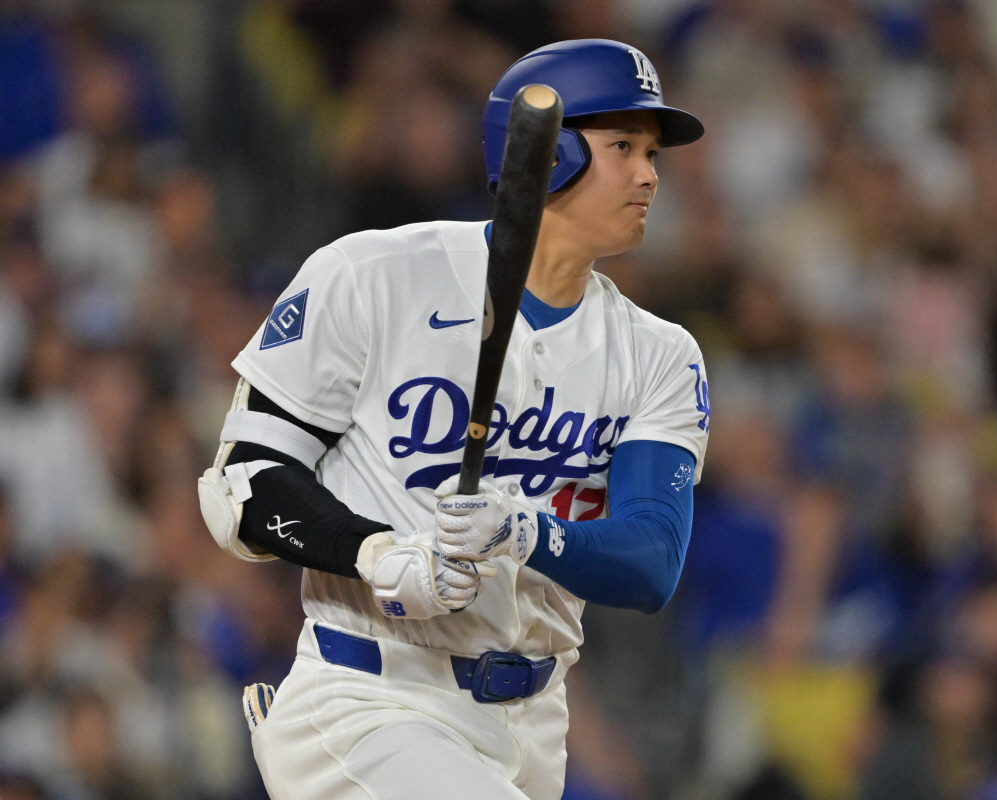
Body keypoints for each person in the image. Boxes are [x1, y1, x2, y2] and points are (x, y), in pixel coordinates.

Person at [196, 39, 709, 799]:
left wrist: (528, 531)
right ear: (550, 153)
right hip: (369, 693)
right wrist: (377, 554)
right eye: (623, 146)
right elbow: (243, 486)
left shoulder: (658, 353)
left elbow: (651, 560)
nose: (649, 175)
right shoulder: (376, 276)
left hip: (533, 722)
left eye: (652, 153)